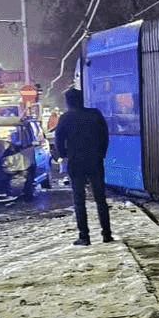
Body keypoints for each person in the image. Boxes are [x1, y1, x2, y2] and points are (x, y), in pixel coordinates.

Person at [54, 88, 112, 245]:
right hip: (95, 161)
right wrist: (101, 153)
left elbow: (58, 138)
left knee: (79, 200)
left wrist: (63, 154)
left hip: (76, 162)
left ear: (68, 102)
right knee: (100, 199)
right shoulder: (95, 114)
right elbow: (104, 135)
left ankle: (84, 236)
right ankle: (106, 234)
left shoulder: (66, 118)